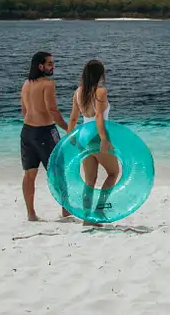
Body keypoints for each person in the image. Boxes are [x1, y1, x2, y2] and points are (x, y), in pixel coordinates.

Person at [19, 50, 69, 221]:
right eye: (49, 64)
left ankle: (31, 214)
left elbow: (24, 111)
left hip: (27, 132)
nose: (52, 66)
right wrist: (68, 128)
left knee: (30, 173)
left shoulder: (26, 84)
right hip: (45, 132)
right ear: (40, 66)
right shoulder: (48, 84)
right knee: (58, 171)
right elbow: (52, 110)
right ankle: (66, 211)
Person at [67, 59, 119, 221]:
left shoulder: (78, 92)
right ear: (100, 75)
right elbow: (99, 117)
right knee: (113, 173)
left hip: (83, 136)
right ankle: (99, 210)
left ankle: (87, 217)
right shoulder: (100, 92)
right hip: (97, 135)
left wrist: (70, 136)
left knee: (90, 179)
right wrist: (104, 139)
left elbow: (74, 118)